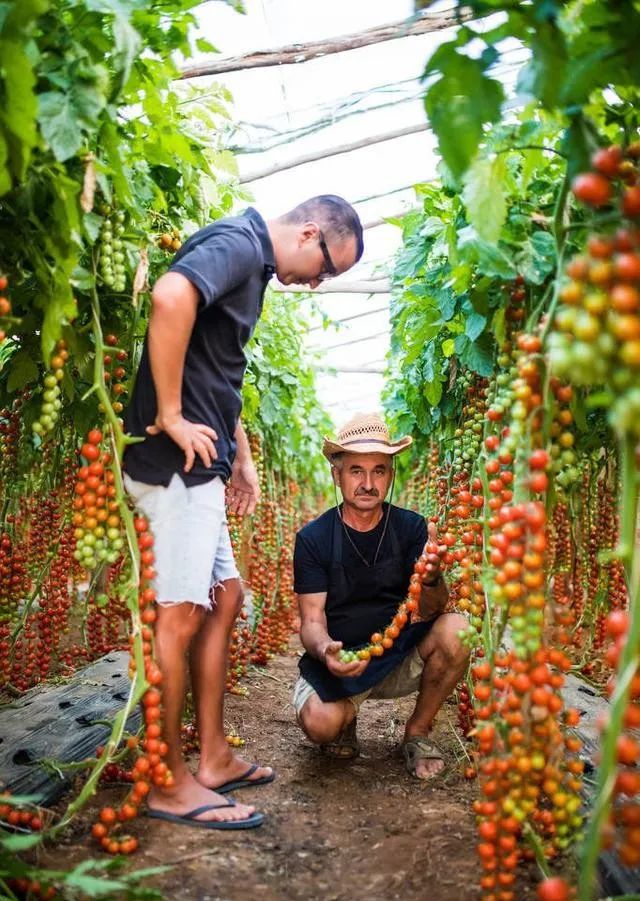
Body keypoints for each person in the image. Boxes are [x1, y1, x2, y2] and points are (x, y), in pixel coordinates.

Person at [123, 197, 364, 828]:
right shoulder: (237, 242)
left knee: (226, 595)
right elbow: (171, 297)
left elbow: (220, 369)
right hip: (175, 467)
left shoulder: (251, 265)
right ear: (310, 232)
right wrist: (172, 416)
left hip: (204, 465)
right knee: (178, 618)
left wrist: (242, 454)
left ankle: (213, 757)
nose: (318, 282)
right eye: (325, 268)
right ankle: (167, 781)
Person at [292, 413, 469, 780]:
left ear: (391, 475)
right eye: (356, 470)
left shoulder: (412, 528)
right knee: (320, 725)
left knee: (457, 629)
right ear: (336, 474)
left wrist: (432, 576)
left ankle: (418, 732)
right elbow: (311, 621)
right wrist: (327, 651)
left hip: (398, 654)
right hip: (340, 659)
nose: (368, 484)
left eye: (379, 471)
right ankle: (344, 717)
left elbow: (433, 610)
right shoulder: (313, 539)